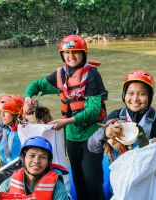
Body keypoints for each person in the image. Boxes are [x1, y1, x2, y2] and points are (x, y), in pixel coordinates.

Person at [23, 34, 108, 200]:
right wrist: (28, 97)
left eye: (76, 52)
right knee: (78, 177)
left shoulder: (92, 75)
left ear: (84, 54)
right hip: (71, 136)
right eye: (67, 53)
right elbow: (36, 85)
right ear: (62, 55)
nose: (71, 56)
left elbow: (93, 110)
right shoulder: (60, 75)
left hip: (92, 134)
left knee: (92, 178)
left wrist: (66, 121)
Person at [88, 69, 156, 197]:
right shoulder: (115, 117)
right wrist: (104, 133)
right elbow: (92, 146)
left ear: (150, 96)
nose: (135, 99)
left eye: (141, 94)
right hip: (122, 181)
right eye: (130, 93)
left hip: (152, 185)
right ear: (124, 95)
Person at [0, 136, 68, 200]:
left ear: (48, 162)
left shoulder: (58, 189)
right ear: (23, 159)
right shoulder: (7, 185)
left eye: (43, 157)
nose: (36, 161)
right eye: (32, 156)